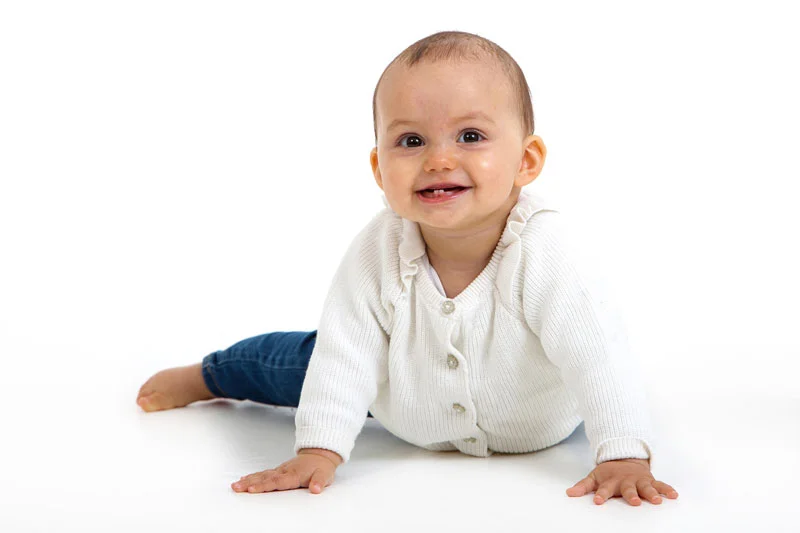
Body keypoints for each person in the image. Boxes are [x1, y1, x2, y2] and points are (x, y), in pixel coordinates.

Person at [136, 30, 679, 507]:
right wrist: (318, 450)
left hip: (537, 417)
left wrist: (623, 455)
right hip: (404, 398)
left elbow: (597, 356)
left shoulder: (546, 251)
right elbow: (345, 355)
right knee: (303, 363)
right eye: (411, 141)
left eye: (470, 136)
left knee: (603, 373)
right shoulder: (379, 250)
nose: (438, 159)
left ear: (526, 160)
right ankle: (209, 375)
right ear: (379, 167)